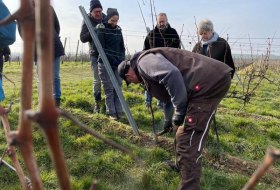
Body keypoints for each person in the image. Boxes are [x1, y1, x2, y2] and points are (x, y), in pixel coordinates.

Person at [118, 47, 232, 189]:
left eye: (130, 81)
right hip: (201, 85)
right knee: (180, 129)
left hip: (206, 85)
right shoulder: (144, 64)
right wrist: (171, 119)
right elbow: (169, 90)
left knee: (188, 138)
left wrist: (179, 111)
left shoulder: (144, 62)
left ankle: (189, 186)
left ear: (128, 74)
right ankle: (181, 165)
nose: (134, 83)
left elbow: (171, 75)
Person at [143, 13, 181, 135]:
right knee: (155, 88)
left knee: (167, 94)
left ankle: (166, 116)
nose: (161, 23)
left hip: (169, 68)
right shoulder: (151, 35)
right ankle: (150, 105)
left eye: (163, 21)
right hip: (154, 68)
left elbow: (177, 51)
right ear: (157, 22)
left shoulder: (173, 33)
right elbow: (145, 50)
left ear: (167, 21)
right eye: (159, 22)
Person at [96, 8, 125, 120]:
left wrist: (121, 60)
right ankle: (111, 112)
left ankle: (119, 110)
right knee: (108, 88)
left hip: (118, 64)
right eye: (112, 20)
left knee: (117, 87)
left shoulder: (118, 30)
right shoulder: (101, 29)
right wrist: (113, 60)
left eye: (116, 21)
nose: (114, 23)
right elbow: (101, 48)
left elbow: (122, 47)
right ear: (108, 18)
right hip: (104, 63)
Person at [80, 0, 106, 113]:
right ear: (91, 12)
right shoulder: (87, 20)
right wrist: (94, 30)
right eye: (96, 11)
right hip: (95, 54)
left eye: (100, 11)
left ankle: (109, 101)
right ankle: (97, 101)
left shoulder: (105, 18)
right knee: (97, 80)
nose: (98, 13)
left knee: (109, 79)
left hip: (107, 52)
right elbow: (82, 38)